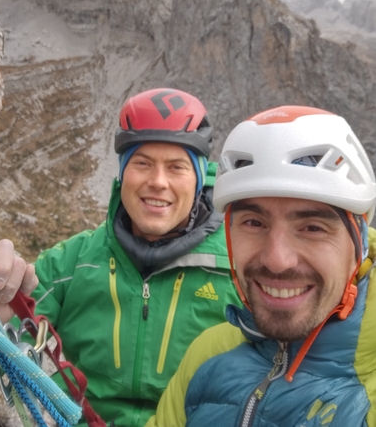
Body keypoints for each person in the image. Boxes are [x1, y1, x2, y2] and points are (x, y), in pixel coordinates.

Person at [0, 88, 241, 427]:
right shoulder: (70, 264)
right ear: (122, 171)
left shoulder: (237, 268)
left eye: (177, 167)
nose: (158, 182)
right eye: (142, 163)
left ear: (200, 178)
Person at [146, 105, 376, 427]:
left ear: (359, 240)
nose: (277, 260)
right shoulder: (208, 352)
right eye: (254, 223)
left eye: (312, 228)